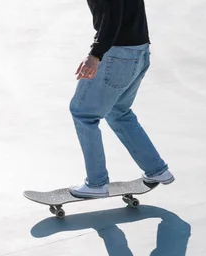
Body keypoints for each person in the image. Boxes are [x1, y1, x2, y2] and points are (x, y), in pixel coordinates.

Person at [69, 0, 174, 198]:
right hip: (139, 50)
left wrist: (95, 55)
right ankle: (157, 170)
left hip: (117, 54)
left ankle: (96, 183)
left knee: (83, 113)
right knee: (118, 112)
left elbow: (112, 17)